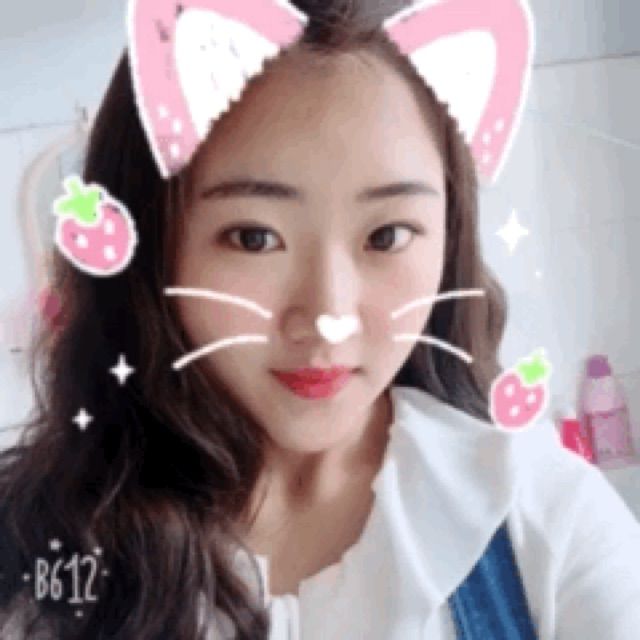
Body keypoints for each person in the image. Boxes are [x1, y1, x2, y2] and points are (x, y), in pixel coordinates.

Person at [1, 1, 640, 638]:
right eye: (254, 238)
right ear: (149, 246)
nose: (329, 316)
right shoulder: (38, 563)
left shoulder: (547, 521)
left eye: (387, 235)